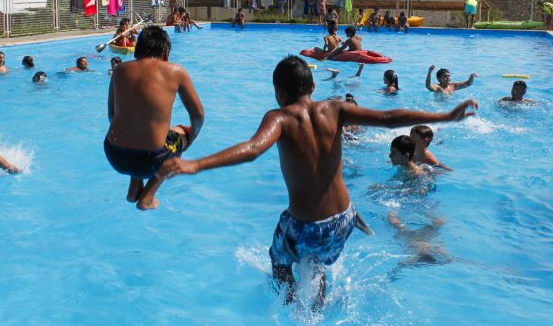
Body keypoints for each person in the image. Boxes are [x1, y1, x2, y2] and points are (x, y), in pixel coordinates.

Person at [155, 56, 478, 306]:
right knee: (317, 261)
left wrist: (196, 164)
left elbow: (252, 150)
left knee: (280, 261)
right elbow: (389, 118)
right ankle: (318, 308)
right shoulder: (335, 109)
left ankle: (292, 305)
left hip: (307, 225)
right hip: (343, 220)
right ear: (312, 87)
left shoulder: (279, 117)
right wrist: (445, 116)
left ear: (279, 92)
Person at [105, 26, 204, 211]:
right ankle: (148, 196)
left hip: (114, 154)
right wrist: (190, 138)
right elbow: (198, 116)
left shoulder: (119, 70)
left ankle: (135, 186)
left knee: (138, 129)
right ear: (166, 53)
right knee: (180, 133)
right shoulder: (175, 71)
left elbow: (112, 115)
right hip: (151, 162)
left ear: (138, 49)